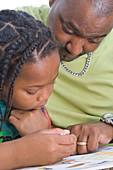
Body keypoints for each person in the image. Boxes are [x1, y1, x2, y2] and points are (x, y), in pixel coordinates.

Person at [17, 0, 113, 155]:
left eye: (93, 40)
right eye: (68, 29)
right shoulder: (14, 29)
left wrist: (109, 126)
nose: (75, 49)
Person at [0, 9, 76, 169]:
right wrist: (21, 152)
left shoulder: (36, 112)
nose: (45, 97)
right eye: (32, 91)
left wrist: (44, 134)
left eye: (52, 82)